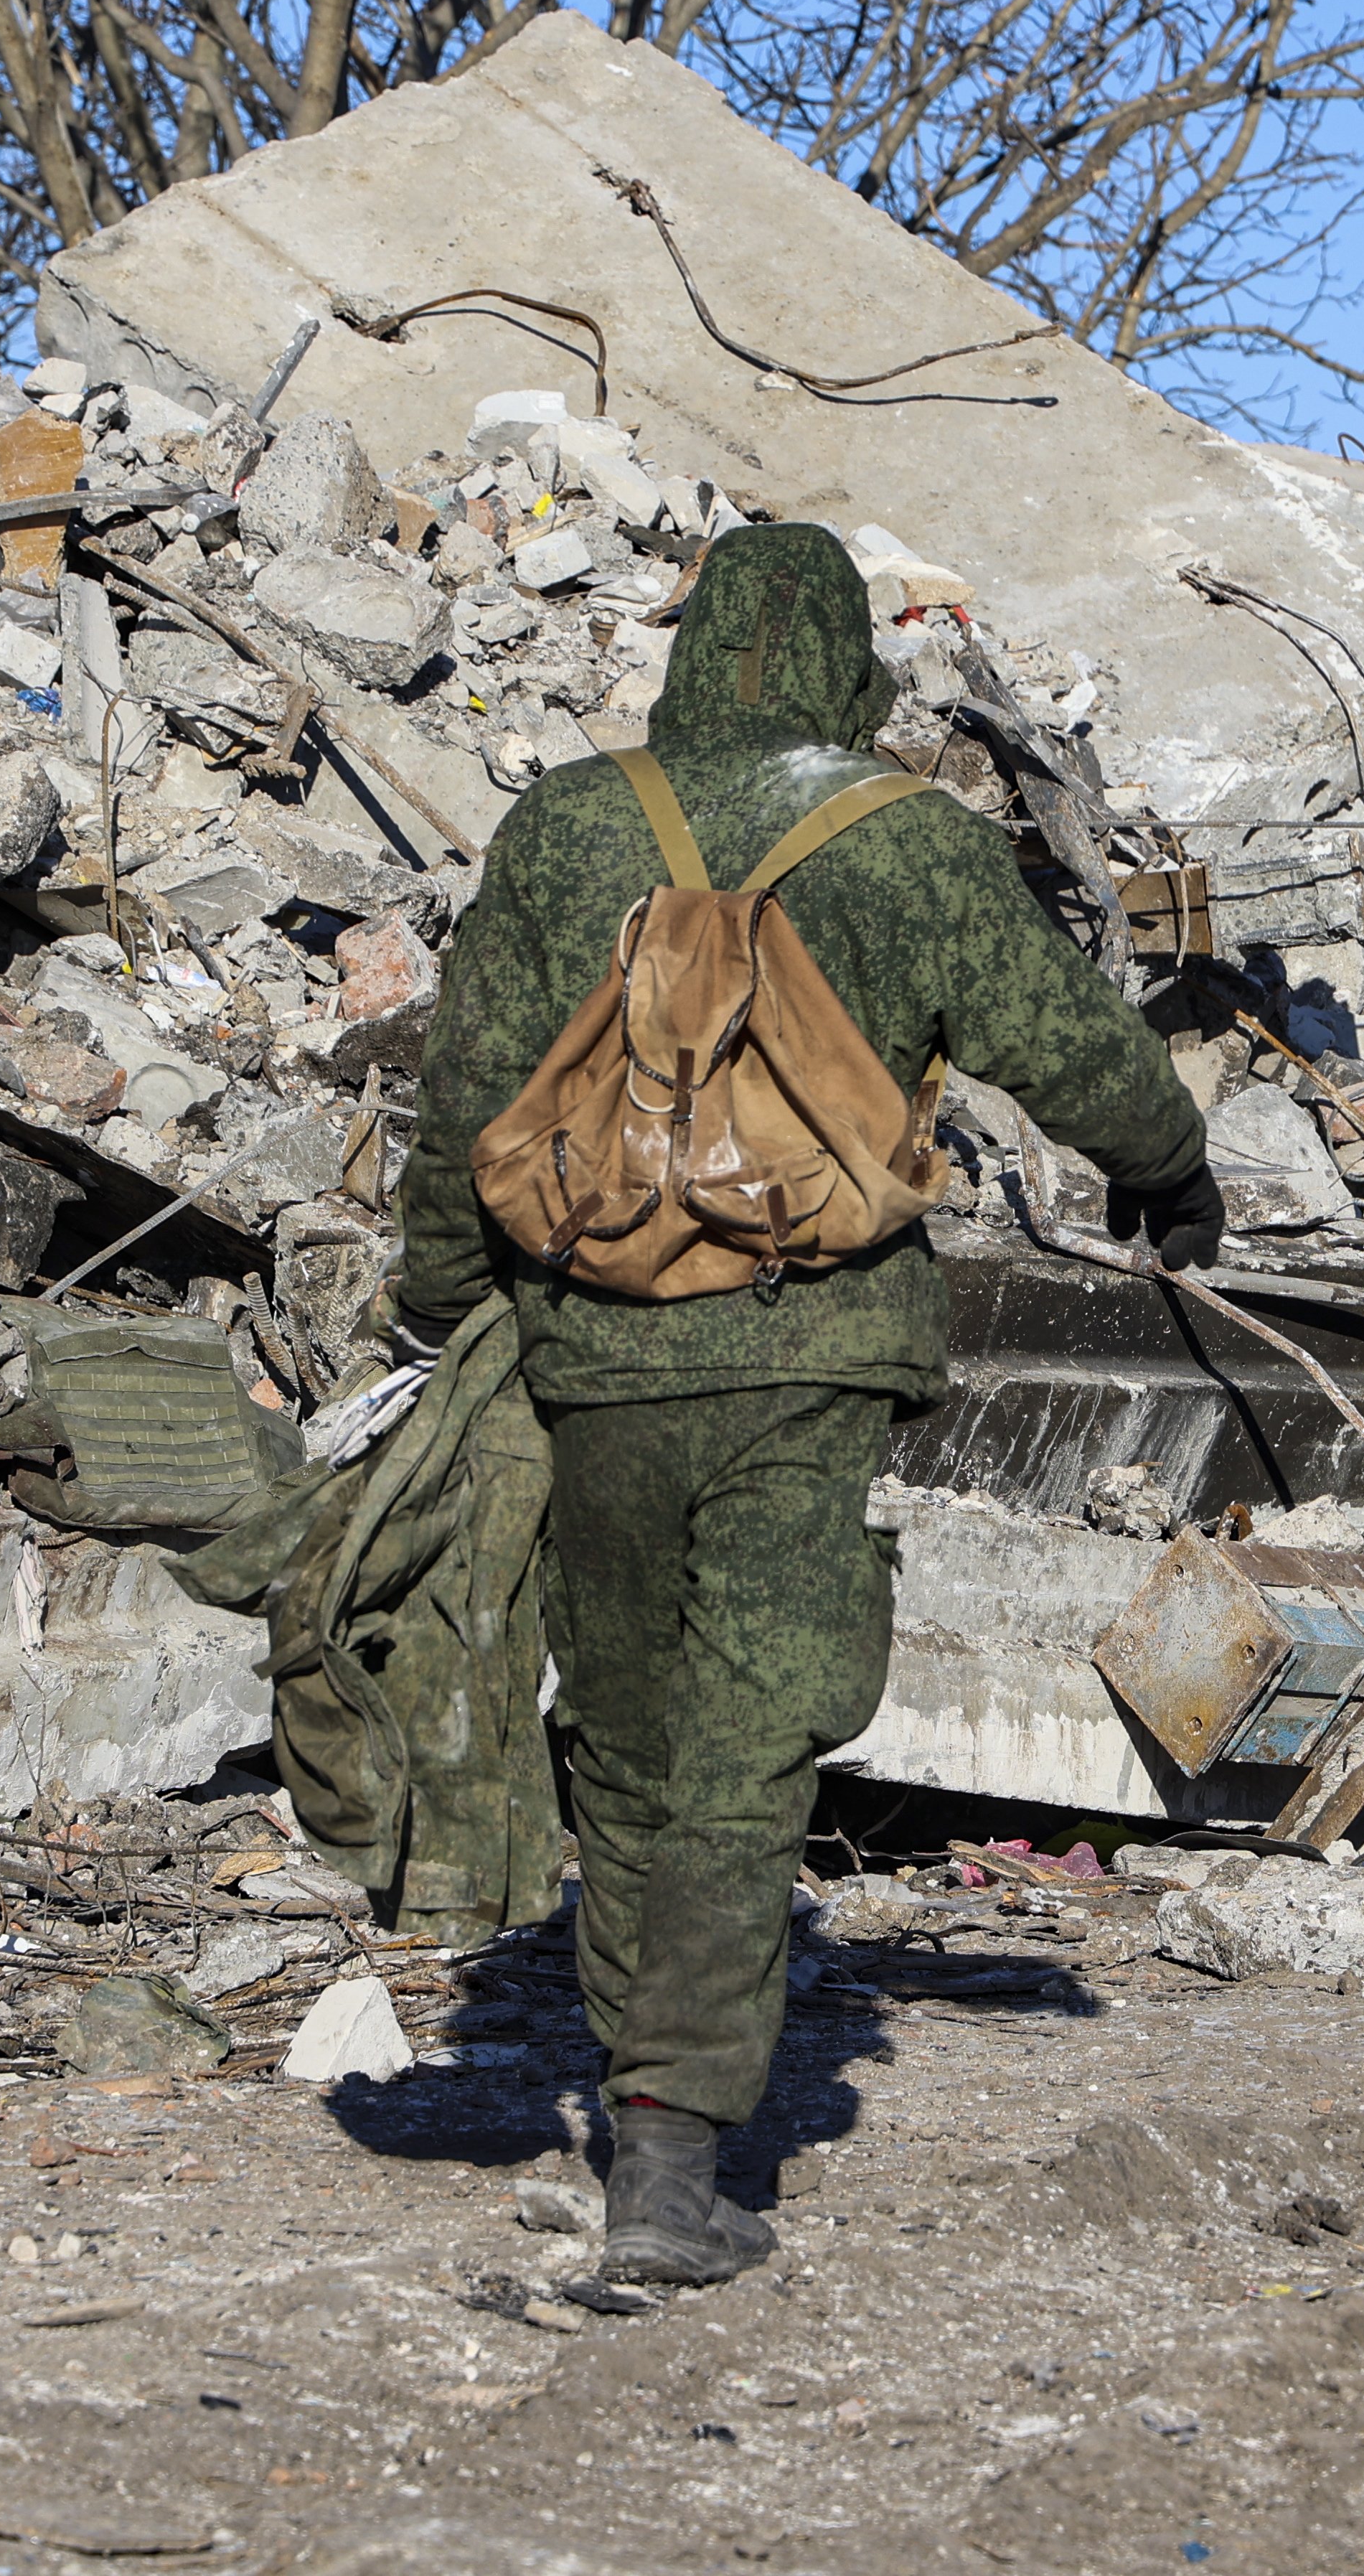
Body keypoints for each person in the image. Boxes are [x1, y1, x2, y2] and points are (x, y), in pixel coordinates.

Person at [392, 522, 1217, 2281]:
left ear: (691, 654)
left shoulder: (569, 822)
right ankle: (674, 2149)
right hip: (811, 1338)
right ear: (848, 664)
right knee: (753, 1720)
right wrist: (1173, 1167)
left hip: (591, 1345)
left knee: (618, 1716)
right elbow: (1062, 1039)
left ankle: (646, 2098)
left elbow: (469, 1085)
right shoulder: (910, 839)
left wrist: (450, 1303)